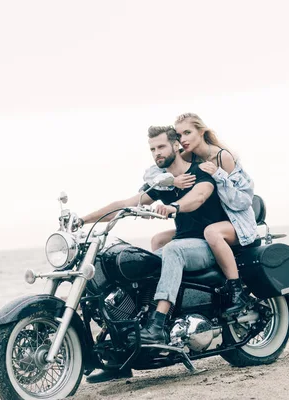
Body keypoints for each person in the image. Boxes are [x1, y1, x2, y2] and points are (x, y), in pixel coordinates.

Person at [81, 125, 228, 383]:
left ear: (176, 146)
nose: (156, 153)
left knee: (171, 249)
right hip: (184, 244)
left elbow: (197, 198)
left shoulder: (200, 172)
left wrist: (173, 208)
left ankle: (158, 324)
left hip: (206, 243)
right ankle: (119, 353)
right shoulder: (164, 182)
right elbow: (124, 204)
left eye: (161, 147)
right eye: (152, 149)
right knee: (132, 263)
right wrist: (82, 220)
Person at [146, 112, 258, 318]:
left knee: (211, 232)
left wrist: (217, 175)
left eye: (188, 132)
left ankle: (236, 291)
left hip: (235, 220)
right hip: (209, 222)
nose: (183, 139)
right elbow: (152, 173)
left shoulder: (222, 156)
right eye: (179, 135)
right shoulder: (188, 156)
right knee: (159, 239)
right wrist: (172, 180)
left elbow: (242, 200)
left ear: (202, 131)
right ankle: (176, 291)